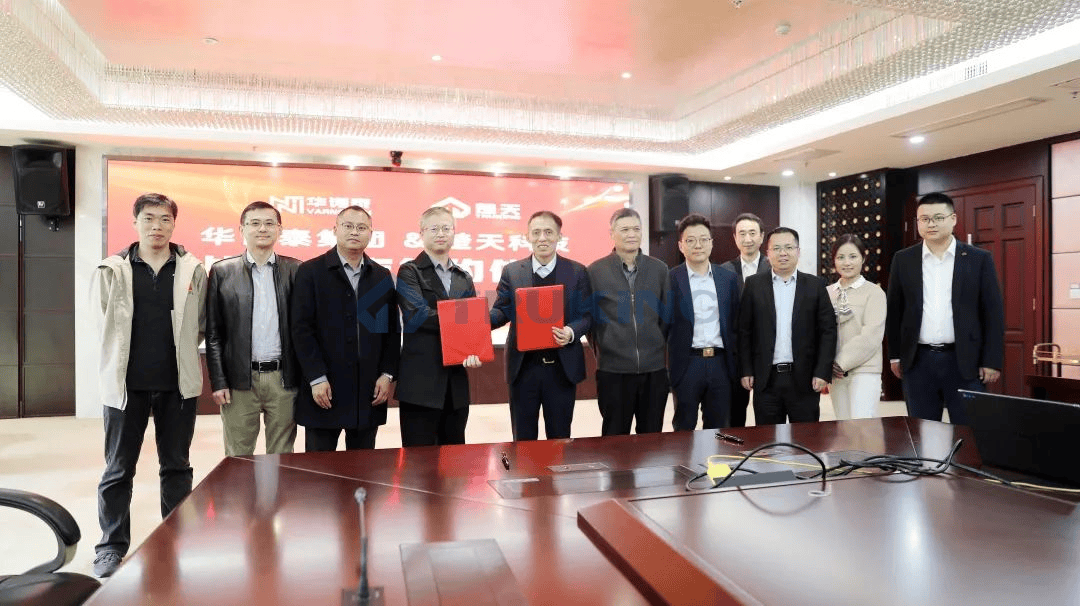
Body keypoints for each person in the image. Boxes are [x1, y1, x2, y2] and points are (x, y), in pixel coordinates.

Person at [91, 193, 206, 578]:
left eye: (165, 219)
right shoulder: (112, 269)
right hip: (126, 387)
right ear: (136, 222)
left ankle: (175, 540)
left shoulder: (192, 269)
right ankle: (110, 547)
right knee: (118, 469)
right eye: (149, 218)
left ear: (174, 224)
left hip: (177, 386)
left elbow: (201, 323)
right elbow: (102, 324)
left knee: (177, 468)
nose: (157, 226)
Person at [886, 192, 1004, 424]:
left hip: (965, 361)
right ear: (918, 223)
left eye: (938, 218)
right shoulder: (903, 259)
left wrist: (991, 360)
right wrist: (895, 356)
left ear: (953, 219)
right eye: (925, 219)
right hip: (918, 361)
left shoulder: (978, 259)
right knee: (922, 430)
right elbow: (895, 311)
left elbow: (992, 313)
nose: (931, 224)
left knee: (969, 430)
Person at [290, 206, 400, 451]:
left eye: (361, 227)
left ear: (371, 233)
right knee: (320, 468)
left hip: (368, 389)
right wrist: (316, 377)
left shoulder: (381, 276)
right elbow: (301, 329)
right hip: (325, 388)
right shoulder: (311, 271)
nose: (354, 232)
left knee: (362, 466)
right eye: (348, 226)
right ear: (335, 229)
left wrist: (387, 374)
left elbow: (391, 332)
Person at [205, 201, 301, 456]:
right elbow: (214, 334)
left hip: (283, 380)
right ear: (242, 229)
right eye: (255, 223)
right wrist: (218, 380)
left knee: (282, 456)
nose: (262, 229)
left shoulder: (296, 270)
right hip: (239, 381)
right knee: (238, 457)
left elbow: (305, 329)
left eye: (269, 223)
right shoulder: (222, 272)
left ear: (280, 230)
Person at [490, 211, 593, 441]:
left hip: (561, 369)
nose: (542, 238)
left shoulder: (577, 271)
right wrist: (477, 323)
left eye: (548, 232)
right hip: (523, 369)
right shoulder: (512, 271)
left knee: (559, 439)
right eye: (536, 232)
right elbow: (502, 310)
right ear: (527, 236)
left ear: (559, 236)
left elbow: (586, 315)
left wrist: (571, 332)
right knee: (523, 440)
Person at [395, 206, 482, 447]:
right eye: (434, 228)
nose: (440, 233)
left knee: (455, 460)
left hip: (455, 386)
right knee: (418, 461)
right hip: (420, 384)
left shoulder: (464, 277)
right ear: (421, 233)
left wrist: (475, 348)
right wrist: (463, 322)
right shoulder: (409, 271)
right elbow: (417, 315)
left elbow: (473, 324)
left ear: (454, 232)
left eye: (446, 228)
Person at [739, 227, 837, 424]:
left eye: (789, 247)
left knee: (806, 437)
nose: (783, 253)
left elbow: (827, 331)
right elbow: (744, 331)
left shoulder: (816, 285)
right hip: (766, 379)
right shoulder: (753, 285)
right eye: (776, 248)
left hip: (805, 378)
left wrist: (822, 371)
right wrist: (746, 369)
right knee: (768, 438)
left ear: (798, 251)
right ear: (768, 253)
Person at [587, 208, 670, 435]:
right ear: (612, 233)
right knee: (615, 439)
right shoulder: (595, 271)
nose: (631, 234)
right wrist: (606, 345)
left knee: (651, 438)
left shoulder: (659, 269)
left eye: (636, 229)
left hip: (654, 371)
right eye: (624, 229)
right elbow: (590, 321)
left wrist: (655, 343)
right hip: (613, 372)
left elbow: (666, 316)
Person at [667, 214, 740, 430]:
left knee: (719, 429)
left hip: (720, 364)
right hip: (687, 363)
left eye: (703, 239)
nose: (697, 245)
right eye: (690, 240)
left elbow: (735, 324)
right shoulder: (670, 279)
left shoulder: (728, 278)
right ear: (681, 246)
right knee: (684, 428)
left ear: (711, 243)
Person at [719, 212, 771, 427]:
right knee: (733, 417)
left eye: (752, 233)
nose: (747, 238)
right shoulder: (724, 271)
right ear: (735, 238)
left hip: (768, 353)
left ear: (762, 236)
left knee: (768, 418)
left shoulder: (774, 268)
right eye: (742, 233)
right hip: (735, 355)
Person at [826, 235, 886, 419]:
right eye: (841, 257)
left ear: (863, 258)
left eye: (853, 256)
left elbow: (871, 336)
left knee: (863, 427)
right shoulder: (827, 293)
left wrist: (840, 362)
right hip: (835, 374)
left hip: (864, 370)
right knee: (843, 426)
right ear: (834, 260)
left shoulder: (874, 292)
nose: (847, 262)